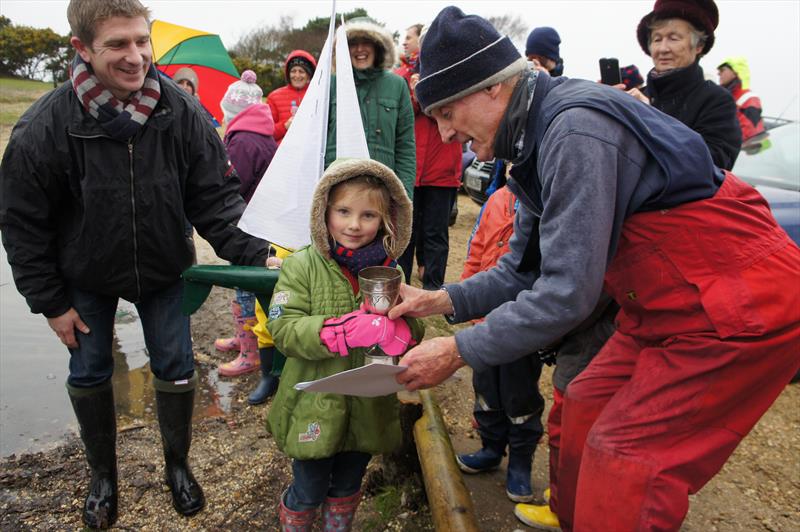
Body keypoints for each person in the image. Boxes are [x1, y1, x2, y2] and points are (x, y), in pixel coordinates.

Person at [388, 6, 800, 531]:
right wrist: (439, 300)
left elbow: (567, 294)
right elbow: (522, 269)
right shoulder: (530, 141)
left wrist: (456, 350)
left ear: (491, 88)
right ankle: (579, 516)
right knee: (583, 398)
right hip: (657, 304)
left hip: (732, 305)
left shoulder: (575, 131)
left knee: (626, 457)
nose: (445, 134)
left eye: (446, 112)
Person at [0, 0, 272, 528]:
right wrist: (50, 302)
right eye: (117, 45)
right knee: (91, 369)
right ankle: (103, 476)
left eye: (141, 41)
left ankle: (178, 465)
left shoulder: (181, 112)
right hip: (86, 274)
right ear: (81, 48)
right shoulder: (43, 125)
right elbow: (21, 222)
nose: (136, 57)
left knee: (174, 365)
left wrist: (257, 252)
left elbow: (215, 199)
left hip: (165, 267)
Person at [265, 158, 424, 531]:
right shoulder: (301, 266)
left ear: (388, 221)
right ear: (324, 211)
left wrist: (404, 333)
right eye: (343, 211)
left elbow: (412, 324)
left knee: (348, 484)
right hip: (314, 405)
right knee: (310, 487)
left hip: (369, 405)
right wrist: (340, 331)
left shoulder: (392, 271)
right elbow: (283, 329)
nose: (354, 225)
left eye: (368, 215)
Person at [455, 181, 545, 503]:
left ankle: (520, 461)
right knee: (486, 390)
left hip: (521, 328)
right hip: (485, 322)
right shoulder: (495, 200)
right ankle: (491, 447)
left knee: (519, 395)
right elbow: (477, 247)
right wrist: (465, 297)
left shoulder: (541, 202)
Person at [214, 70, 278, 378]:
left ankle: (249, 352)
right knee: (245, 286)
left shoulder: (242, 141)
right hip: (259, 219)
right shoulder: (260, 134)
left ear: (233, 111)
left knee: (244, 287)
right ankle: (244, 339)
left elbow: (233, 186)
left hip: (248, 221)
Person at [624, 0, 741, 170]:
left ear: (699, 45)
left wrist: (651, 116)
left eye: (673, 38)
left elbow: (715, 164)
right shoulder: (636, 97)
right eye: (657, 39)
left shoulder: (717, 101)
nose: (663, 49)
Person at [395, 23, 461, 289]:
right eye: (405, 37)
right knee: (405, 233)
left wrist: (427, 91)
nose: (405, 42)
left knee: (435, 233)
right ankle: (398, 287)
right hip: (411, 168)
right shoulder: (399, 75)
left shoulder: (451, 73)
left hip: (441, 168)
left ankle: (433, 290)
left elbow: (454, 115)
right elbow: (401, 116)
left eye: (410, 37)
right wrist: (413, 93)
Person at [325, 17, 416, 200]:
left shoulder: (397, 85)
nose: (359, 49)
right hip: (335, 189)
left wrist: (404, 194)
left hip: (382, 189)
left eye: (366, 42)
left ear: (378, 47)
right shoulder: (330, 85)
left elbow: (405, 145)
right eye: (353, 43)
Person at [266, 49, 316, 144]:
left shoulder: (318, 95)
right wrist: (285, 126)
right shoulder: (274, 97)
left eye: (301, 71)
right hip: (283, 155)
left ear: (309, 75)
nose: (297, 75)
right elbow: (266, 133)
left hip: (312, 153)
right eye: (293, 71)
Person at [718, 56, 766, 141]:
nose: (719, 73)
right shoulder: (726, 97)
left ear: (735, 72)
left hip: (745, 151)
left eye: (722, 70)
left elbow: (751, 133)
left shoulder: (749, 98)